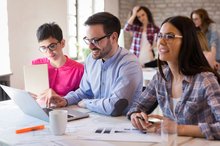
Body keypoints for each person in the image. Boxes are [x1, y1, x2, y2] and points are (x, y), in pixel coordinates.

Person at [127, 16, 220, 140]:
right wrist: (136, 116)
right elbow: (137, 106)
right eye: (160, 36)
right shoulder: (160, 77)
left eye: (169, 36)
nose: (161, 42)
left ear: (187, 41)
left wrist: (178, 128)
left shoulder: (205, 80)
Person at [45, 12, 143, 116]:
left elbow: (115, 107)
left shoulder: (130, 64)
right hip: (96, 119)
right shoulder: (91, 60)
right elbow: (84, 92)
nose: (90, 47)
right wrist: (65, 100)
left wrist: (87, 103)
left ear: (113, 37)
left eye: (95, 40)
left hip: (121, 125)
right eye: (88, 40)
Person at [32, 22, 84, 98]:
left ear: (62, 43)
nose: (48, 52)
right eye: (43, 48)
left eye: (52, 46)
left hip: (66, 109)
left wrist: (59, 97)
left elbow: (82, 97)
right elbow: (31, 91)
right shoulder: (36, 65)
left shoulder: (79, 69)